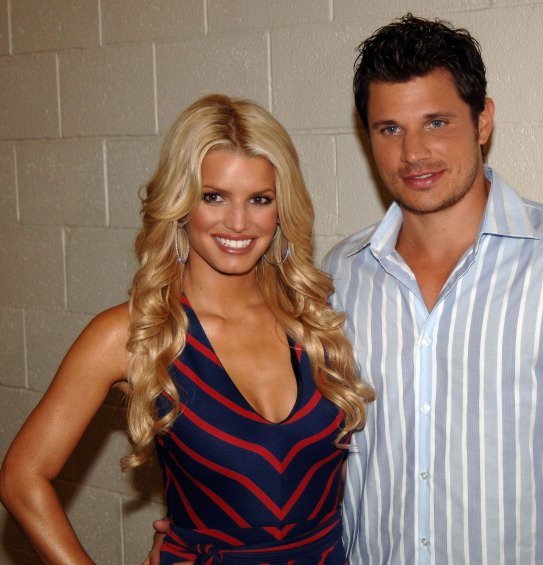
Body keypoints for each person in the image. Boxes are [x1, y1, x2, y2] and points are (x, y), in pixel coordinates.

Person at [0, 94, 374, 564]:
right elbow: (22, 476)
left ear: (282, 209)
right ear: (181, 202)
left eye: (259, 199)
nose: (238, 222)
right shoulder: (132, 333)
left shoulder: (312, 319)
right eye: (213, 196)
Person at [322, 13, 543, 564]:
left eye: (437, 122)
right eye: (390, 129)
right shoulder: (341, 273)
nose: (413, 153)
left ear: (483, 120)